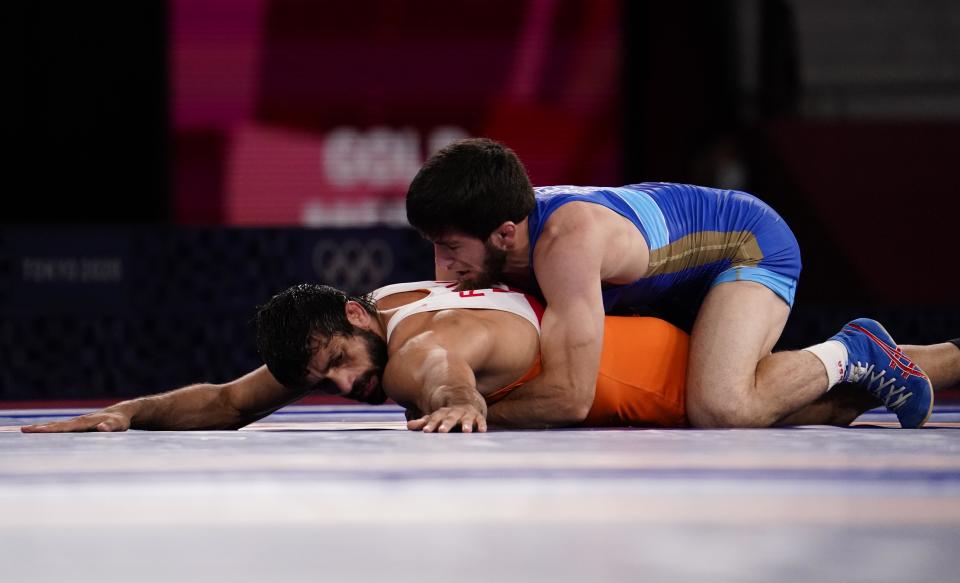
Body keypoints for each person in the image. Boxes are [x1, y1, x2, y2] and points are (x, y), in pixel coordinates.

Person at [405, 138, 937, 429]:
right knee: (735, 403)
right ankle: (930, 363)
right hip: (672, 283)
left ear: (503, 234)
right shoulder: (500, 221)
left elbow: (570, 397)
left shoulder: (565, 243)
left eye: (451, 250)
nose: (443, 267)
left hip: (745, 245)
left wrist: (473, 408)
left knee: (723, 407)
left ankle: (854, 350)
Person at [20, 281, 960, 434]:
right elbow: (233, 399)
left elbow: (440, 366)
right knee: (852, 403)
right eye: (330, 379)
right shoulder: (378, 309)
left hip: (641, 378)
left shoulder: (411, 347)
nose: (349, 387)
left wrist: (462, 399)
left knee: (800, 393)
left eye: (344, 364)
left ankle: (854, 348)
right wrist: (134, 408)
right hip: (633, 354)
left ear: (356, 319)